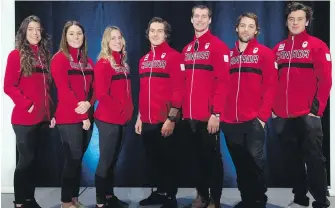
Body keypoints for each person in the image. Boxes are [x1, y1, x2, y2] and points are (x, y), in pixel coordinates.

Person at [272, 2, 332, 208]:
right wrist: (273, 109)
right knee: (292, 160)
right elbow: (272, 81)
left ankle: (321, 201)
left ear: (307, 21)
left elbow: (325, 80)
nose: (295, 22)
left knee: (315, 160)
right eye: (291, 19)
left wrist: (316, 110)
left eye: (299, 19)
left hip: (308, 114)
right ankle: (300, 198)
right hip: (282, 115)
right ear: (286, 22)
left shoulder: (317, 45)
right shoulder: (278, 48)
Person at [220, 12, 277, 208]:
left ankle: (259, 200)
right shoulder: (227, 56)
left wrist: (262, 117)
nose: (246, 29)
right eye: (242, 25)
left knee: (255, 163)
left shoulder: (265, 54)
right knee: (240, 164)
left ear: (256, 31)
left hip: (253, 120)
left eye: (250, 26)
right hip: (229, 121)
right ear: (236, 28)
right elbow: (221, 86)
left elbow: (271, 86)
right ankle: (246, 199)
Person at [3, 15, 56, 208]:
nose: (35, 33)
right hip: (24, 119)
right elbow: (8, 86)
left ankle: (29, 199)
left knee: (35, 162)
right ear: (24, 32)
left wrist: (51, 114)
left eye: (38, 29)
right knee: (26, 161)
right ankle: (19, 202)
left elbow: (47, 90)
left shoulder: (44, 56)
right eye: (31, 29)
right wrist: (27, 104)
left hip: (42, 118)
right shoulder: (16, 55)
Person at [182, 4, 230, 208]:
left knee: (212, 160)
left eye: (204, 16)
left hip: (208, 117)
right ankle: (201, 195)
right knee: (196, 160)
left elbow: (224, 82)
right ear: (191, 20)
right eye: (196, 16)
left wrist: (216, 113)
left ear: (210, 20)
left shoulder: (218, 47)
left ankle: (215, 199)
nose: (200, 20)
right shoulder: (186, 49)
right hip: (189, 117)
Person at [135, 17, 184, 208]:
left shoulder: (174, 57)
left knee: (168, 160)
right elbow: (143, 90)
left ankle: (170, 197)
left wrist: (172, 118)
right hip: (147, 120)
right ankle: (160, 192)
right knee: (153, 161)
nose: (155, 34)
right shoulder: (143, 60)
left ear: (166, 35)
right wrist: (139, 117)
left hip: (165, 120)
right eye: (152, 31)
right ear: (147, 34)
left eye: (159, 31)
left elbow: (179, 90)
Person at [51, 21, 95, 208]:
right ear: (65, 36)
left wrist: (89, 104)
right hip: (69, 118)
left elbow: (95, 88)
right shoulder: (59, 59)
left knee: (77, 161)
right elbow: (64, 90)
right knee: (73, 159)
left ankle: (74, 198)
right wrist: (83, 116)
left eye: (79, 33)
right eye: (71, 34)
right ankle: (66, 201)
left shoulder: (87, 60)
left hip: (86, 116)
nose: (76, 37)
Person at [94, 26, 133, 208]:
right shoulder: (103, 64)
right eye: (113, 38)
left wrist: (128, 109)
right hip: (108, 120)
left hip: (122, 120)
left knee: (113, 160)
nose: (117, 41)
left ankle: (109, 196)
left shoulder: (123, 63)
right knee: (105, 161)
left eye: (119, 37)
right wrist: (119, 109)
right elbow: (101, 94)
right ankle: (101, 202)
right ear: (106, 43)